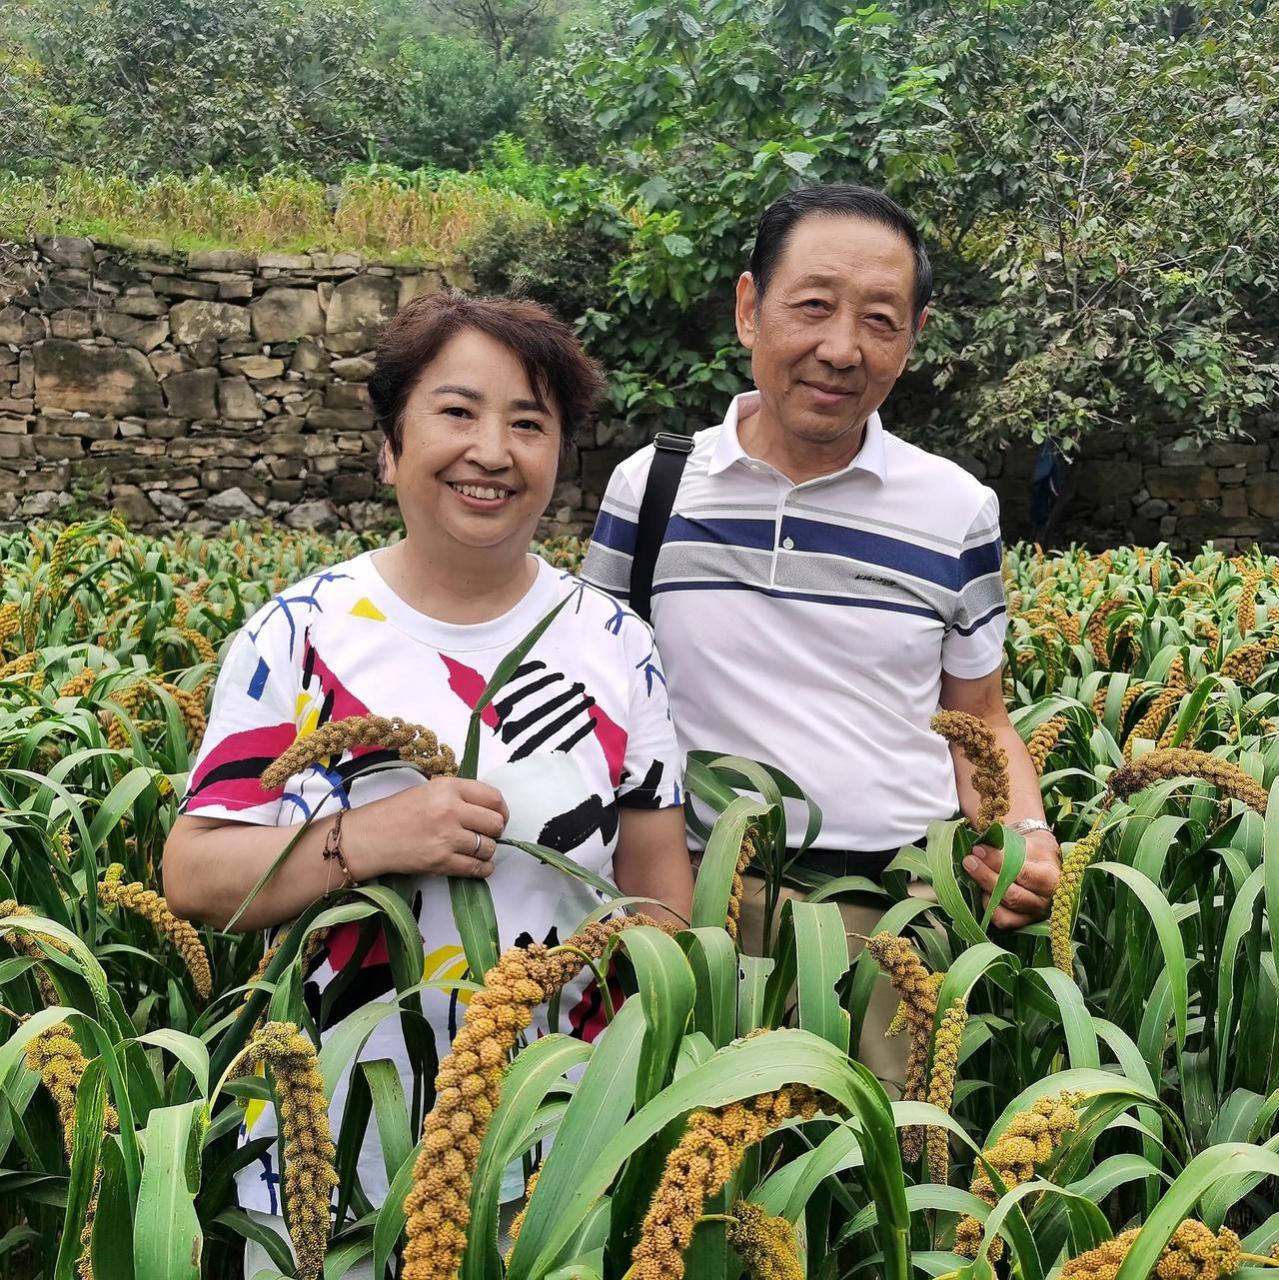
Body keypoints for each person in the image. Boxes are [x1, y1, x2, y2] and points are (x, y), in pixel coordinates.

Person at [163, 291, 693, 1273]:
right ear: (389, 445)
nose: (492, 449)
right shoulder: (298, 634)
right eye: (457, 411)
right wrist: (367, 837)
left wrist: (610, 1077)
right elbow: (194, 874)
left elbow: (659, 899)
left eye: (528, 423)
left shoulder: (617, 646)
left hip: (551, 1133)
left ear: (555, 459)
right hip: (328, 1133)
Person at [581, 183, 1061, 1079]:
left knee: (872, 1187)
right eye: (811, 307)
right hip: (695, 907)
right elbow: (592, 703)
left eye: (879, 320)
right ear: (747, 309)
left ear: (912, 336)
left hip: (892, 920)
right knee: (695, 1194)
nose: (840, 349)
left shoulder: (954, 508)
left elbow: (980, 720)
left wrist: (1023, 836)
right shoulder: (650, 489)